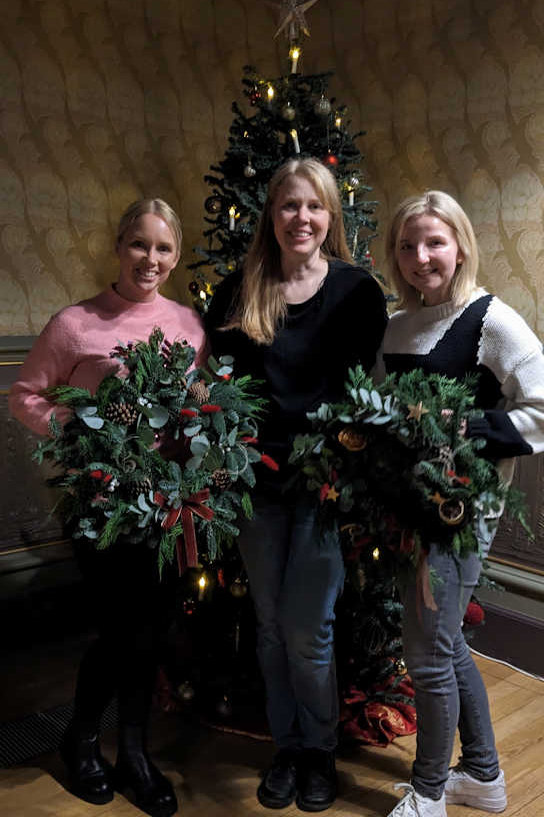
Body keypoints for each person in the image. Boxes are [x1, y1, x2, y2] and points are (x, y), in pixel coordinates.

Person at [9, 198, 206, 817]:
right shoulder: (76, 323)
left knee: (151, 628)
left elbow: (200, 401)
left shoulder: (189, 323)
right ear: (119, 247)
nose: (151, 259)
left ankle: (133, 752)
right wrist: (79, 428)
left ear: (176, 256)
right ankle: (85, 738)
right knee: (121, 627)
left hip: (166, 503)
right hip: (100, 502)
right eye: (140, 244)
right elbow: (24, 395)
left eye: (164, 248)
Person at [205, 157, 388, 812]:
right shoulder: (240, 290)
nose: (301, 218)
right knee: (270, 626)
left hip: (322, 487)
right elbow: (216, 386)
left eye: (313, 206)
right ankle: (286, 747)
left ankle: (318, 751)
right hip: (256, 485)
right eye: (289, 205)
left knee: (308, 631)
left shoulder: (357, 292)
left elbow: (372, 393)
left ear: (330, 215)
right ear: (271, 215)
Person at [375, 190, 544, 817]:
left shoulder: (491, 321)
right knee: (443, 644)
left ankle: (428, 794)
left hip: (460, 512)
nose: (421, 257)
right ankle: (482, 776)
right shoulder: (397, 326)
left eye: (435, 242)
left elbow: (540, 409)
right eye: (407, 246)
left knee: (425, 655)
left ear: (461, 247)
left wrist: (464, 427)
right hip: (406, 507)